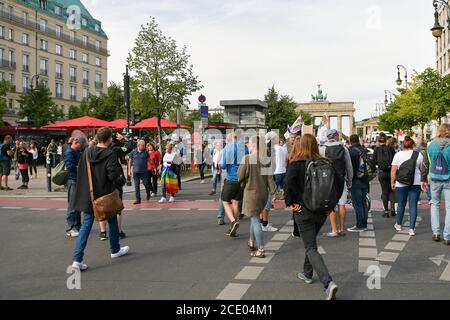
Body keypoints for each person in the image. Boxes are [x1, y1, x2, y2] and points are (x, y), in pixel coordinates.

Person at [284, 134, 339, 300]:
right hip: (321, 211)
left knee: (310, 247)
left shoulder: (296, 164)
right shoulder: (326, 162)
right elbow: (338, 184)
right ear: (315, 145)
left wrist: (291, 203)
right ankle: (307, 273)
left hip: (303, 211)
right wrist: (331, 206)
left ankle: (328, 283)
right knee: (311, 242)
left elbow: (288, 185)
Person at [70, 127, 129, 271]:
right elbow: (113, 176)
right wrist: (122, 180)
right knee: (112, 220)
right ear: (109, 139)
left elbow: (81, 172)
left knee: (85, 226)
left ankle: (77, 260)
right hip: (104, 195)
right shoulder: (110, 154)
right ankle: (115, 250)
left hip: (88, 196)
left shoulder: (86, 152)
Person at [238, 135, 276, 258]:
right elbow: (270, 180)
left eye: (249, 143)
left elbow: (240, 176)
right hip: (263, 194)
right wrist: (274, 193)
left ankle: (261, 249)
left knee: (255, 220)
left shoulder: (247, 158)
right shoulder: (266, 159)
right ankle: (251, 241)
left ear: (253, 145)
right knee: (253, 217)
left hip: (251, 193)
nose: (247, 144)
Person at [319, 129, 353, 237]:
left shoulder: (323, 149)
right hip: (341, 179)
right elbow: (349, 166)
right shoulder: (344, 148)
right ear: (336, 136)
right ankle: (342, 229)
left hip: (328, 180)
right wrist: (350, 179)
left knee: (331, 204)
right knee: (342, 204)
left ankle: (334, 230)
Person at [391, 136, 427, 236]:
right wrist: (423, 181)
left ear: (403, 145)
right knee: (413, 205)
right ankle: (411, 229)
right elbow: (422, 169)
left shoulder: (398, 154)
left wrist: (392, 182)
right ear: (412, 145)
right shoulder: (418, 154)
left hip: (401, 183)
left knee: (401, 204)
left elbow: (393, 170)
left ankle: (398, 224)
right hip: (415, 182)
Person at [220, 129, 249, 237]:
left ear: (233, 135)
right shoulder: (245, 147)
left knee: (225, 201)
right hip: (241, 180)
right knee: (236, 202)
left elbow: (223, 165)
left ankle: (233, 221)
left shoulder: (227, 148)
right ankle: (233, 227)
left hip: (231, 179)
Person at [427, 124, 450, 245]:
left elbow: (429, 160)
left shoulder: (431, 145)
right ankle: (447, 236)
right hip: (448, 178)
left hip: (435, 177)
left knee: (435, 205)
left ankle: (436, 233)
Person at [64, 136, 87, 238]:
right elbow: (69, 167)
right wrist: (80, 168)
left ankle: (77, 226)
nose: (81, 147)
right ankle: (70, 228)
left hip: (77, 180)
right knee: (72, 205)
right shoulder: (69, 152)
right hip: (72, 180)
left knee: (77, 205)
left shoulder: (76, 152)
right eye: (81, 145)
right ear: (76, 142)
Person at [347, 135, 370, 233]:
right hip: (365, 178)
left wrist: (348, 180)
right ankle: (364, 223)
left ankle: (360, 225)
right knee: (363, 202)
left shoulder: (351, 151)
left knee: (357, 203)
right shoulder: (363, 149)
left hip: (356, 179)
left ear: (350, 141)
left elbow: (349, 167)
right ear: (358, 140)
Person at [374, 133, 397, 217]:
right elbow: (395, 160)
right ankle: (393, 209)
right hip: (391, 172)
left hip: (382, 172)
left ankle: (386, 211)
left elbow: (374, 161)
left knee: (384, 192)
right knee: (392, 191)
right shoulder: (391, 149)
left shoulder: (377, 149)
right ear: (386, 140)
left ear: (379, 140)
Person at [128, 140, 151, 205]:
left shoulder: (145, 152)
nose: (144, 147)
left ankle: (148, 192)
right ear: (138, 145)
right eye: (143, 145)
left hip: (144, 172)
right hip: (136, 172)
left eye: (144, 145)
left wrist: (154, 167)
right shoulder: (133, 152)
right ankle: (138, 199)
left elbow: (150, 160)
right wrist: (129, 171)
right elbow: (130, 161)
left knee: (146, 184)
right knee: (136, 186)